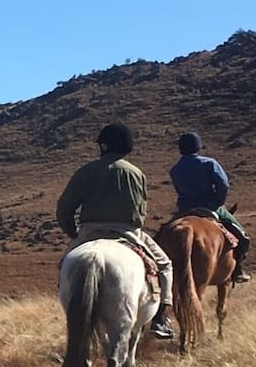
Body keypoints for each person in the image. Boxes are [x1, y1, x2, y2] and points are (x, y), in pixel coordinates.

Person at [56, 123, 178, 339]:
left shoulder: (86, 171)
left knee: (65, 265)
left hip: (89, 232)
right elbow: (140, 211)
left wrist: (74, 234)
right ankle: (160, 317)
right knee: (165, 264)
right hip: (128, 232)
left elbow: (65, 208)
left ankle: (72, 311)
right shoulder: (136, 173)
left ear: (103, 146)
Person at [169, 132, 252, 283]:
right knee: (243, 237)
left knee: (164, 234)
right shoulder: (209, 163)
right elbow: (223, 184)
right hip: (210, 207)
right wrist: (218, 201)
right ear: (198, 146)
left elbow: (179, 189)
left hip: (184, 210)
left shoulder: (175, 169)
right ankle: (238, 270)